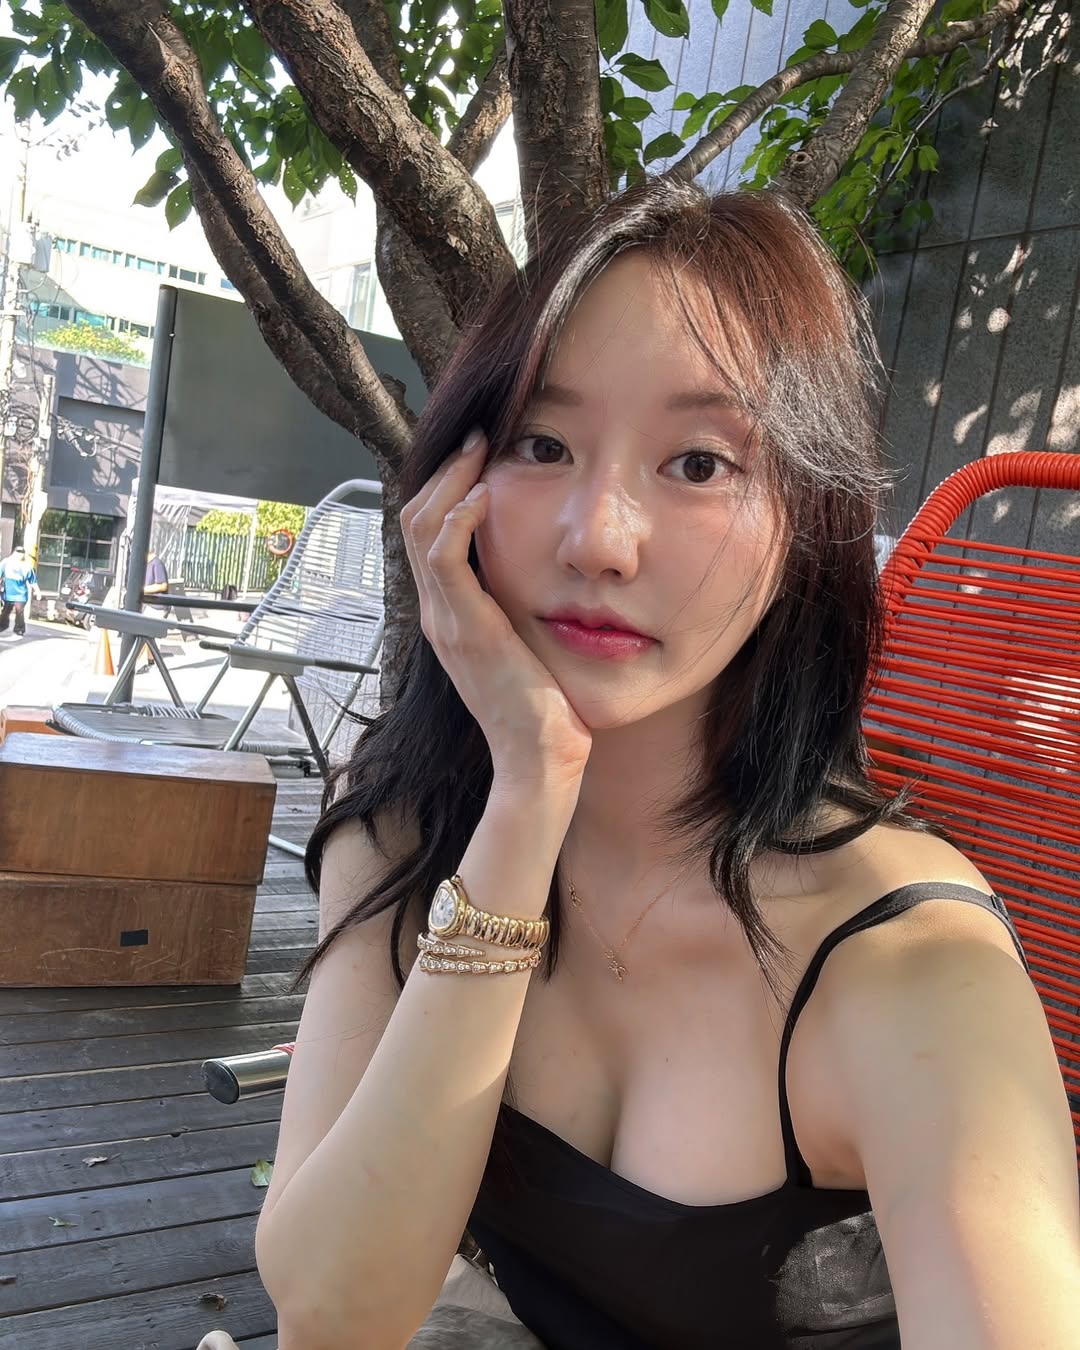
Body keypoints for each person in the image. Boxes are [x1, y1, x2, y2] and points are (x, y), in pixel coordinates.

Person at [253, 185, 1080, 1350]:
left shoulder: (909, 962)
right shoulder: (407, 827)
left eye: (698, 464)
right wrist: (529, 795)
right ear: (451, 491)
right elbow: (332, 1316)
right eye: (542, 444)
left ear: (806, 524)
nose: (599, 539)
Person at [0, 544, 37, 638]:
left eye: (22, 553)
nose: (20, 554)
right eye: (18, 552)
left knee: (19, 612)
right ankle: (2, 625)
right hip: (8, 593)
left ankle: (19, 629)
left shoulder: (27, 566)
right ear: (14, 553)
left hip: (21, 594)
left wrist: (38, 592)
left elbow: (32, 581)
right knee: (6, 611)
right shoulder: (6, 562)